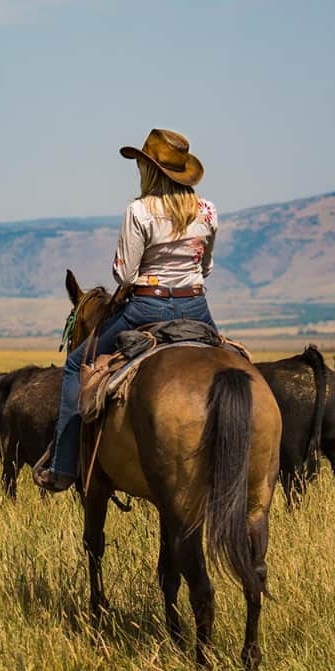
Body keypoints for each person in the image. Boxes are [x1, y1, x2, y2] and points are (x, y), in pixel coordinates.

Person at [34, 128, 219, 492]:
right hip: (196, 307)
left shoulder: (139, 210)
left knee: (75, 365)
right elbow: (206, 267)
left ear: (149, 170)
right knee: (235, 360)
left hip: (146, 307)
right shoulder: (208, 211)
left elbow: (124, 274)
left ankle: (63, 467)